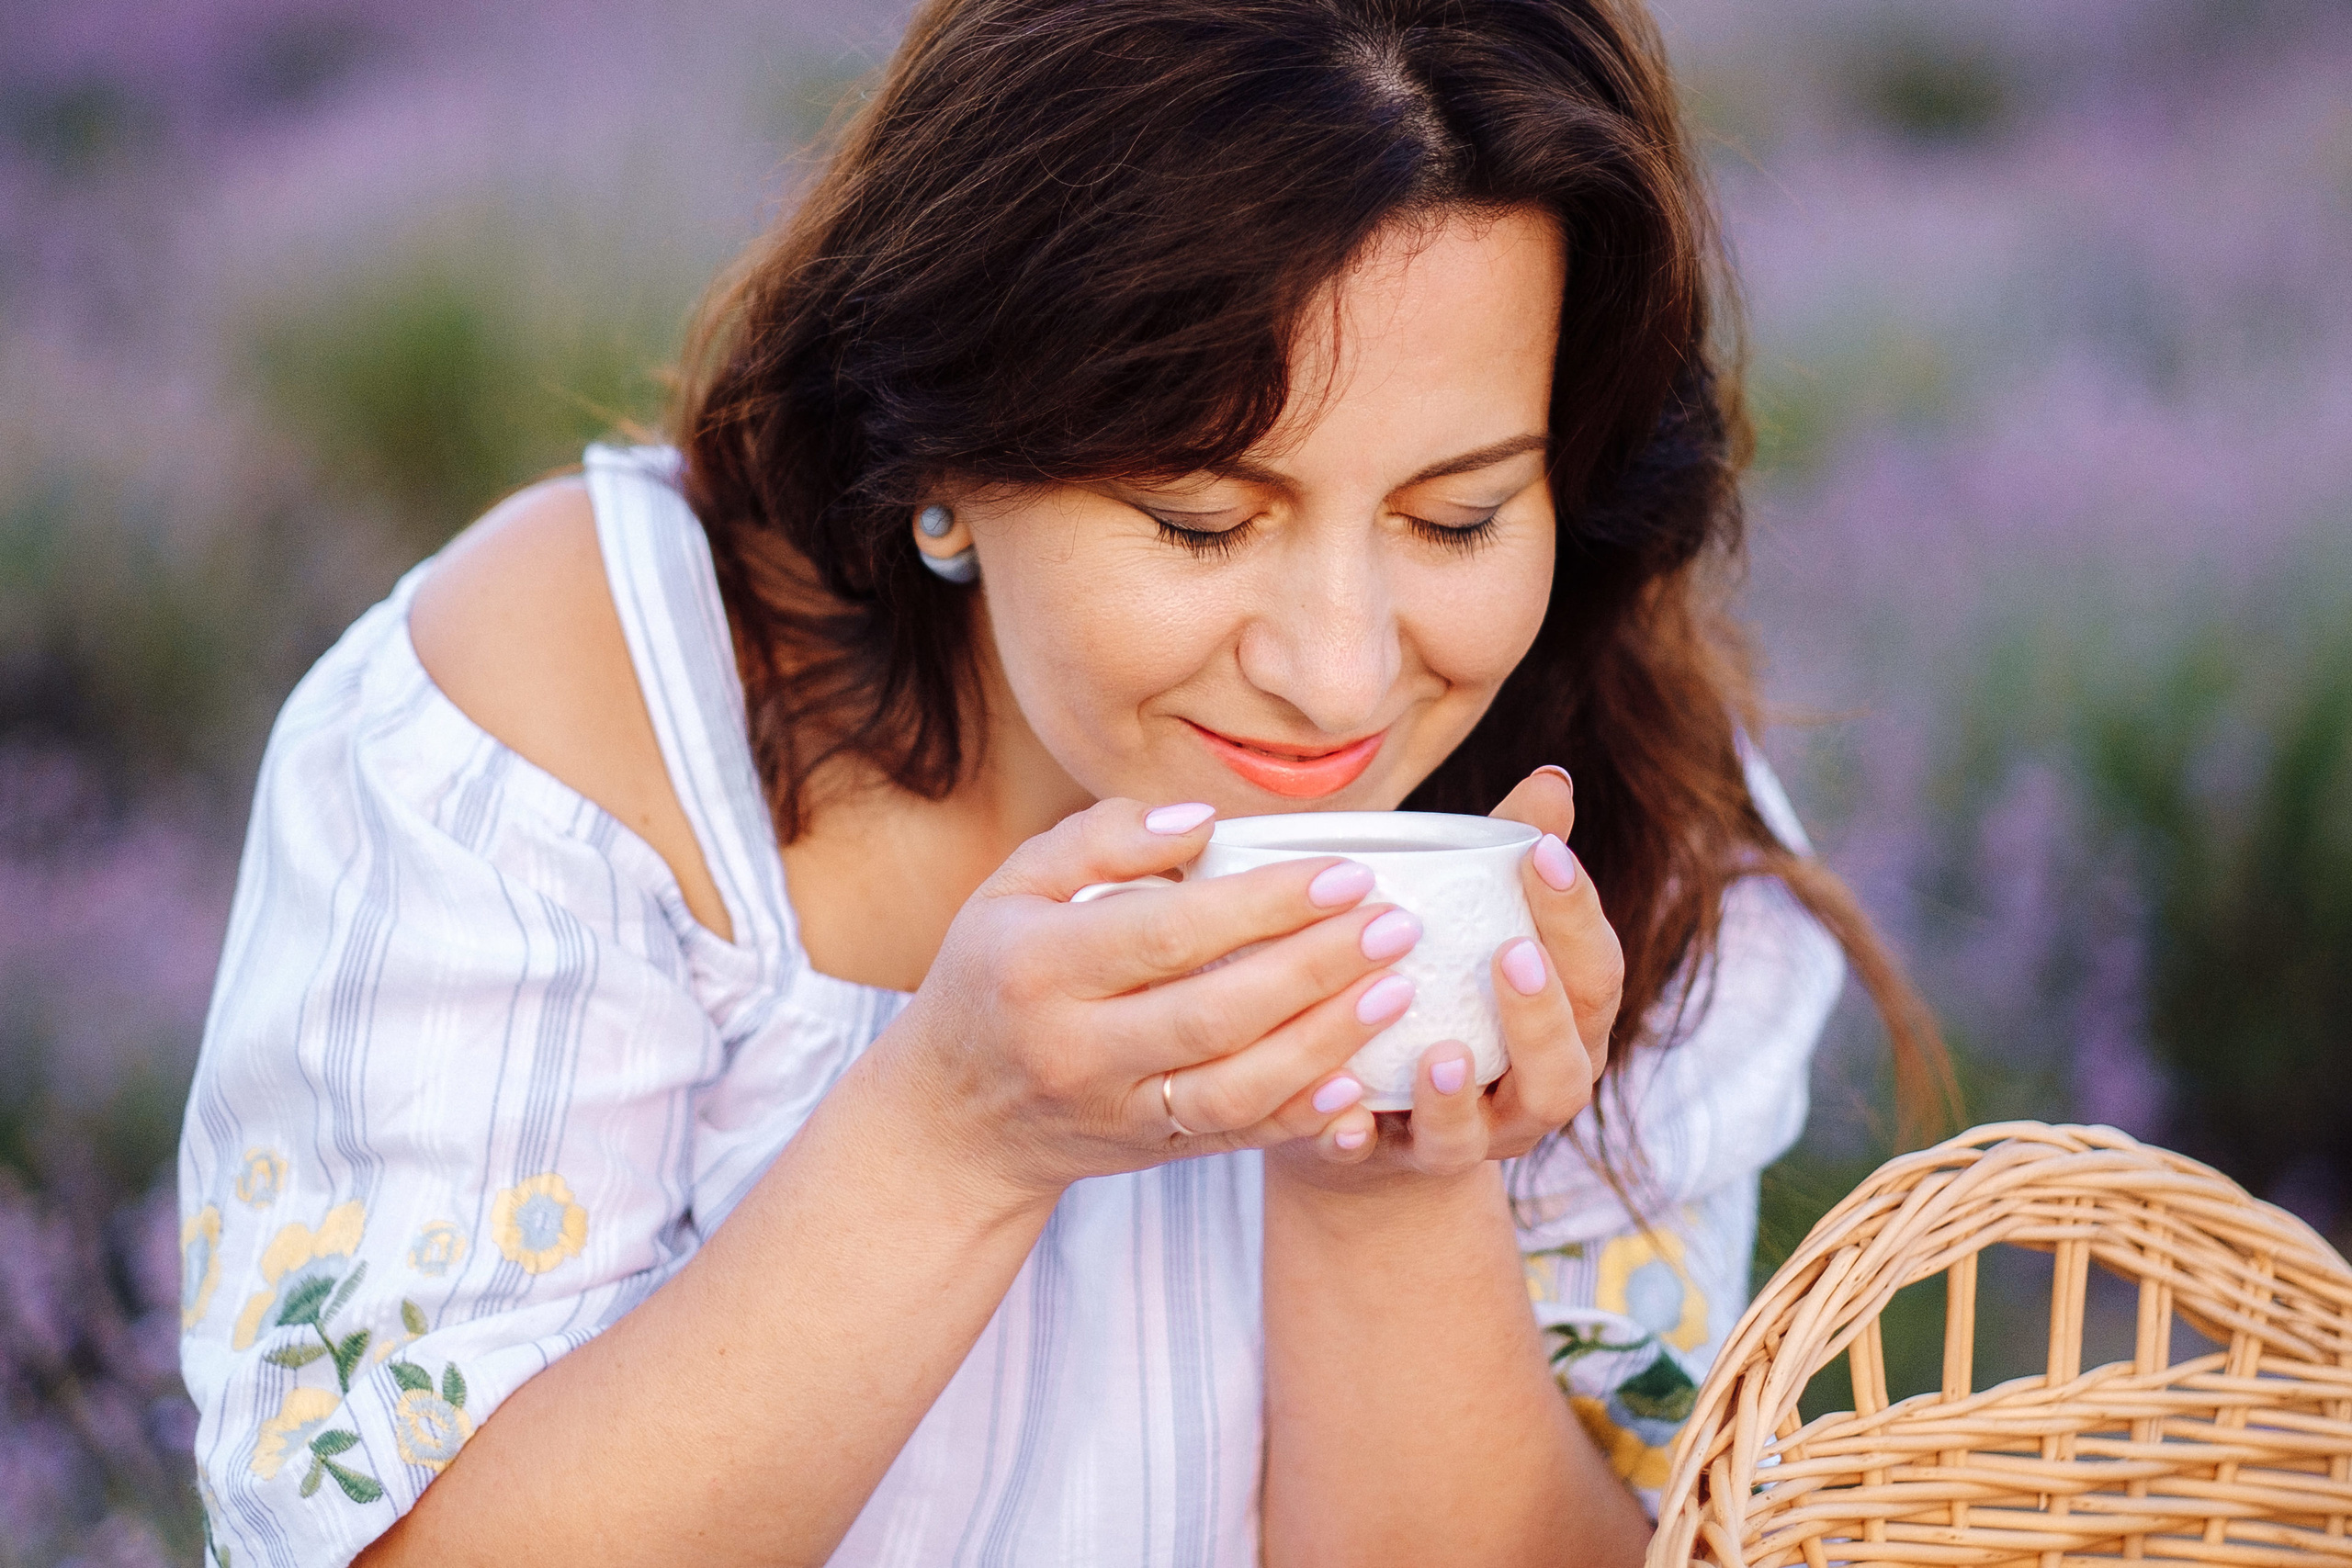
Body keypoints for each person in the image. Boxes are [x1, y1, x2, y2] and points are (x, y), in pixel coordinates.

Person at [177, 1, 1947, 1563]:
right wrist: (958, 1135)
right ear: (946, 450)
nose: (1339, 670)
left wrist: (1395, 1185)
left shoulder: (1609, 816)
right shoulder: (567, 726)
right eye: (1199, 520)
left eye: (1458, 515)